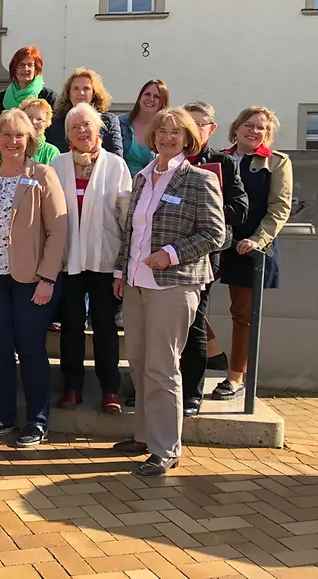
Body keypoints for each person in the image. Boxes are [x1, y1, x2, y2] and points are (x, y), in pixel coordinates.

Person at [112, 108, 225, 476]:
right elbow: (131, 231)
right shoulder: (143, 177)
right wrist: (120, 271)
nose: (167, 137)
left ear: (188, 138)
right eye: (162, 130)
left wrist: (171, 254)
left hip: (173, 286)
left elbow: (215, 234)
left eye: (176, 132)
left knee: (162, 368)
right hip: (135, 284)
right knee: (142, 365)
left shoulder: (198, 180)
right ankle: (144, 436)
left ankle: (166, 448)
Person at [0, 109, 67, 447]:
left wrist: (47, 278)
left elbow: (58, 230)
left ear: (30, 140)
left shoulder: (43, 175)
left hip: (31, 280)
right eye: (6, 135)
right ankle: (3, 417)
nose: (12, 141)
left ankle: (37, 421)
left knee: (30, 348)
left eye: (19, 135)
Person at [50, 103, 132, 413]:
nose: (82, 130)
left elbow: (128, 218)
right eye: (75, 126)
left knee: (104, 326)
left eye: (87, 125)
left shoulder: (115, 166)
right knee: (71, 325)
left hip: (105, 261)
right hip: (69, 261)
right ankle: (72, 387)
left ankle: (110, 389)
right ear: (68, 134)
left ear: (99, 129)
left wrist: (123, 266)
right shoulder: (58, 165)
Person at [213, 107, 292, 401]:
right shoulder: (218, 158)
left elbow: (279, 208)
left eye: (261, 128)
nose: (253, 131)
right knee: (190, 304)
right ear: (236, 128)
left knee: (242, 315)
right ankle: (212, 353)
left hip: (250, 248)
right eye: (249, 124)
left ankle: (235, 378)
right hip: (215, 244)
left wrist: (258, 240)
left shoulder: (276, 163)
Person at [178, 102, 248, 416]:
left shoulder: (223, 163)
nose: (192, 129)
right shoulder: (169, 159)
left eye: (199, 123)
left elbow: (240, 209)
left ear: (211, 129)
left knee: (194, 321)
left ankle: (192, 393)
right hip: (166, 254)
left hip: (205, 255)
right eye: (187, 123)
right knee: (165, 326)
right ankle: (158, 390)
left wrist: (203, 208)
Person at [48, 68, 123, 156]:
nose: (81, 93)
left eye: (86, 88)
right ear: (69, 93)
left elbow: (116, 154)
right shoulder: (56, 121)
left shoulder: (108, 121)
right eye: (76, 88)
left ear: (94, 93)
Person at [0, 46, 57, 131]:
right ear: (14, 69)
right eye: (21, 65)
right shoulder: (1, 98)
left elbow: (54, 130)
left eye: (30, 65)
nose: (25, 69)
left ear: (36, 69)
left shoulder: (48, 96)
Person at [0, 98, 59, 171]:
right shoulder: (4, 146)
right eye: (28, 117)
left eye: (39, 119)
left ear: (46, 124)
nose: (33, 122)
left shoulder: (51, 152)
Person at [119, 80, 168, 177]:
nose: (151, 99)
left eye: (156, 97)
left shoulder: (166, 130)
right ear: (140, 97)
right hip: (120, 185)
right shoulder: (119, 123)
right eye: (147, 94)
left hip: (150, 186)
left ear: (163, 102)